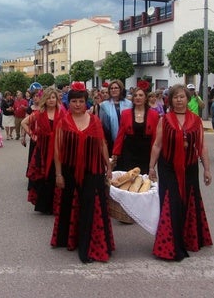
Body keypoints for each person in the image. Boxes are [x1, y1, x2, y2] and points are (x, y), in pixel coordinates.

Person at [148, 84, 212, 261]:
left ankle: (189, 239)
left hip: (190, 166)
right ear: (171, 100)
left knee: (188, 201)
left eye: (182, 97)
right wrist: (151, 167)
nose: (179, 100)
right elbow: (157, 145)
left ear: (187, 98)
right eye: (175, 97)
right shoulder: (165, 119)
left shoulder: (196, 121)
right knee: (172, 202)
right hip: (168, 167)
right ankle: (170, 244)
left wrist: (207, 169)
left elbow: (202, 146)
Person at [52, 82, 114, 263]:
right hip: (69, 170)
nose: (77, 104)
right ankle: (68, 239)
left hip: (92, 170)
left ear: (86, 102)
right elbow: (57, 150)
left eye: (80, 101)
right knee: (69, 204)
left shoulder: (95, 121)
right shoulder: (63, 122)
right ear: (68, 103)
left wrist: (108, 166)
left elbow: (102, 144)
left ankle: (88, 246)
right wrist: (58, 174)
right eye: (74, 101)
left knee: (90, 207)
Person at [23, 87, 63, 214]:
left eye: (53, 97)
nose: (51, 100)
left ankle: (56, 205)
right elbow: (24, 123)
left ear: (56, 99)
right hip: (43, 149)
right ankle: (44, 205)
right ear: (44, 99)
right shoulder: (39, 113)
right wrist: (32, 135)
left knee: (56, 175)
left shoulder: (62, 112)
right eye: (49, 98)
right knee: (43, 177)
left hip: (58, 149)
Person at [111, 87, 159, 175]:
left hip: (146, 151)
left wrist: (154, 156)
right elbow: (120, 135)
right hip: (129, 150)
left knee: (143, 178)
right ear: (133, 99)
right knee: (128, 176)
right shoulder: (125, 113)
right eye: (135, 95)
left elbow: (155, 137)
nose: (138, 97)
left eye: (141, 95)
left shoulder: (154, 115)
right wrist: (115, 152)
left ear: (145, 98)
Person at [99, 79, 133, 155]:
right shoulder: (104, 105)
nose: (113, 90)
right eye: (111, 88)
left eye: (116, 88)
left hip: (127, 140)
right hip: (110, 139)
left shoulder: (129, 104)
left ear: (120, 89)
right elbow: (103, 124)